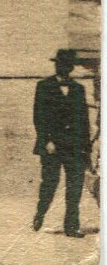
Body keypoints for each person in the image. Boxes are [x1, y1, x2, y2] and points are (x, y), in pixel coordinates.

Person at [34, 49, 92, 237]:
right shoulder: (43, 86)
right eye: (60, 64)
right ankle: (40, 213)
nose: (64, 68)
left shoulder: (78, 89)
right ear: (56, 65)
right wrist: (46, 140)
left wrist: (86, 149)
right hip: (52, 146)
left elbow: (83, 120)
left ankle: (72, 226)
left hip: (74, 146)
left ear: (71, 67)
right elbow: (38, 116)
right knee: (50, 183)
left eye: (67, 65)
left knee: (74, 187)